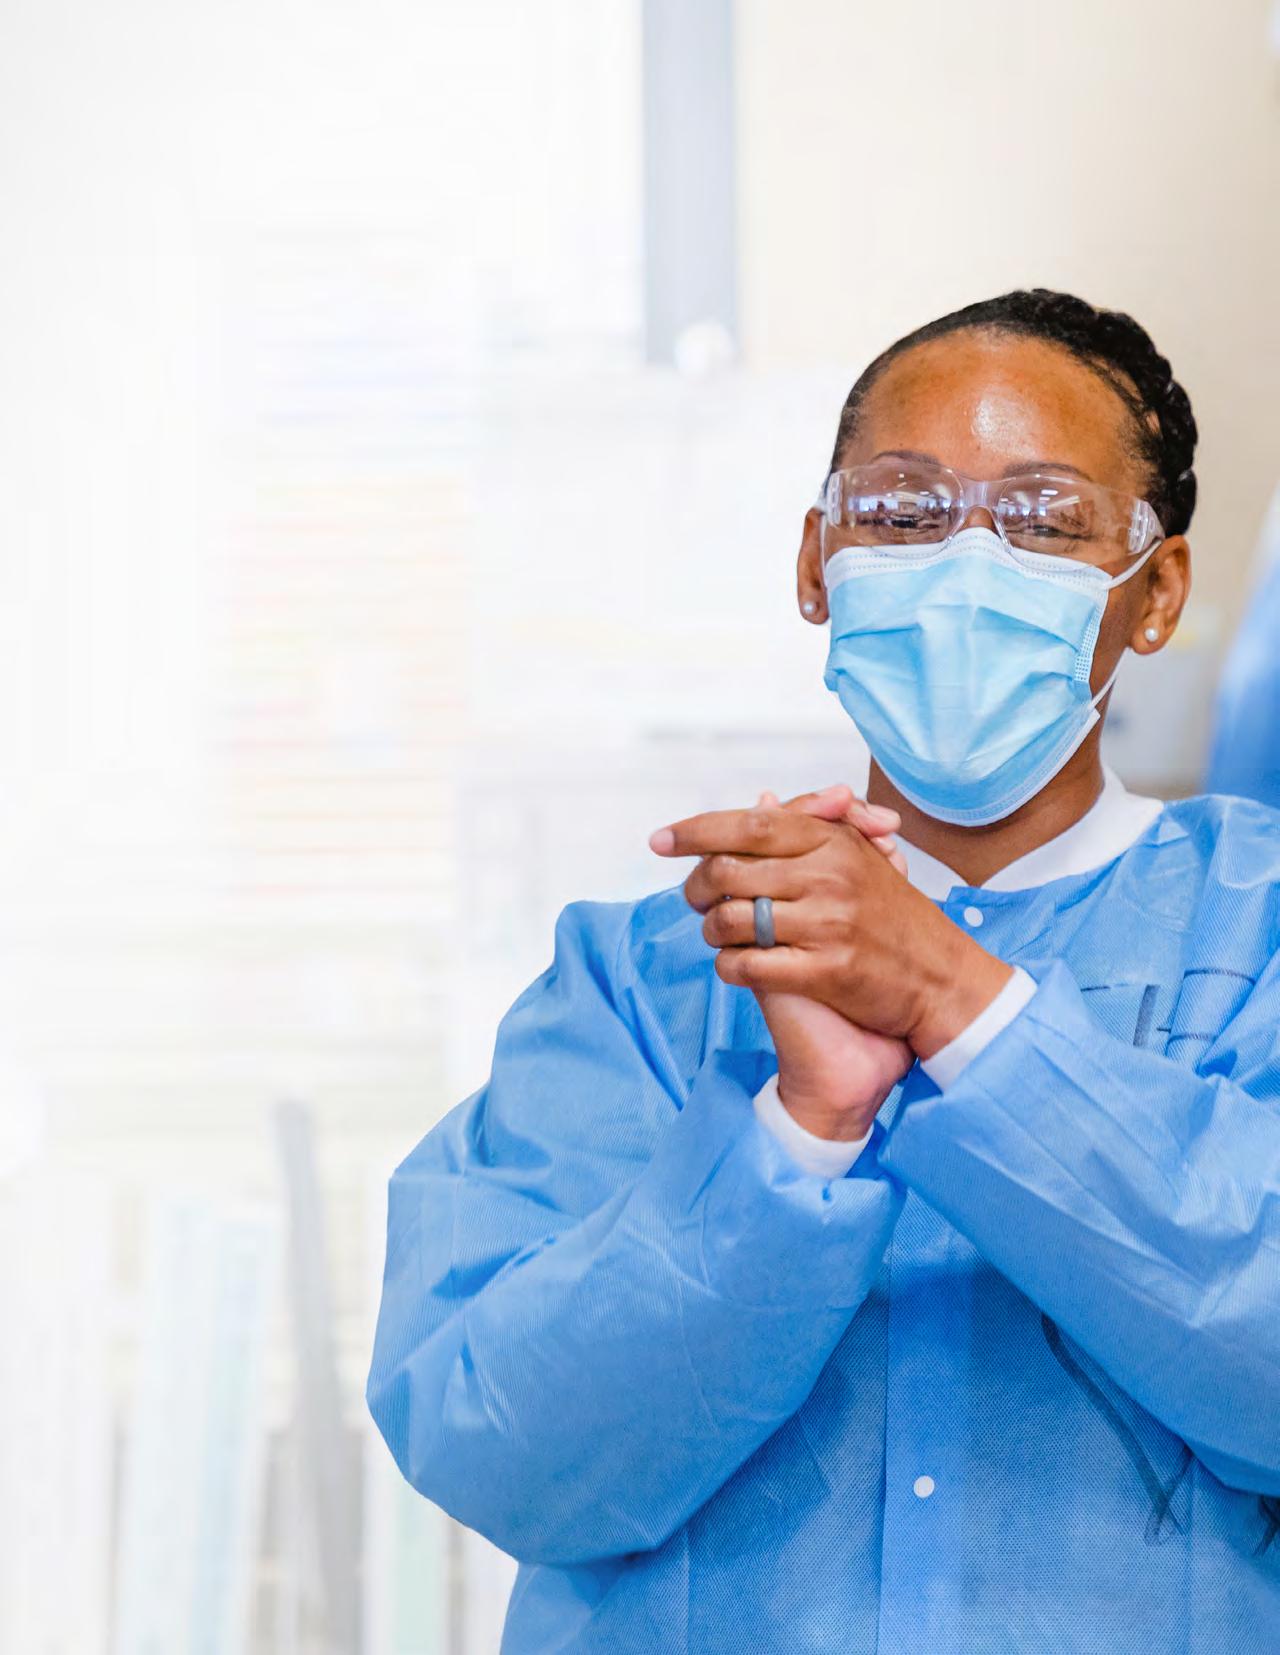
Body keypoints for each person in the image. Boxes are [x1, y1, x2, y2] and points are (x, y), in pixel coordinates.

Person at [367, 289, 1280, 1652]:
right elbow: (502, 1451)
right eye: (904, 511)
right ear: (817, 563)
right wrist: (796, 1136)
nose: (967, 566)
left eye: (1043, 518)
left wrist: (962, 1007)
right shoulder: (637, 984)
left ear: (1155, 593)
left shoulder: (1255, 935)